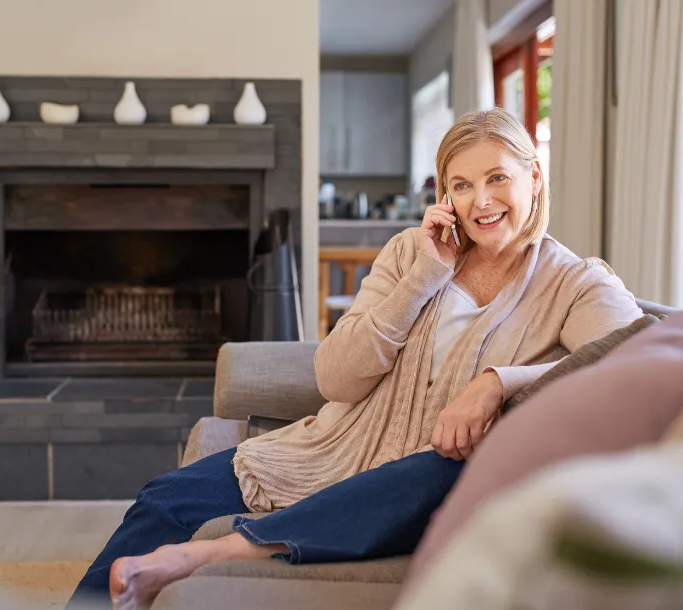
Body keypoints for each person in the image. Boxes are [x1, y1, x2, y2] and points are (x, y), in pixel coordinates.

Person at [69, 108, 643, 609]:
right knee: (163, 498)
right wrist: (424, 277)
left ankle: (207, 554)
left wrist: (498, 382)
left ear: (534, 176)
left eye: (498, 178)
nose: (481, 201)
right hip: (339, 447)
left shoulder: (574, 282)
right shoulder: (408, 254)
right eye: (462, 186)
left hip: (436, 472)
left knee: (448, 464)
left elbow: (633, 357)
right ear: (444, 195)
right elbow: (334, 376)